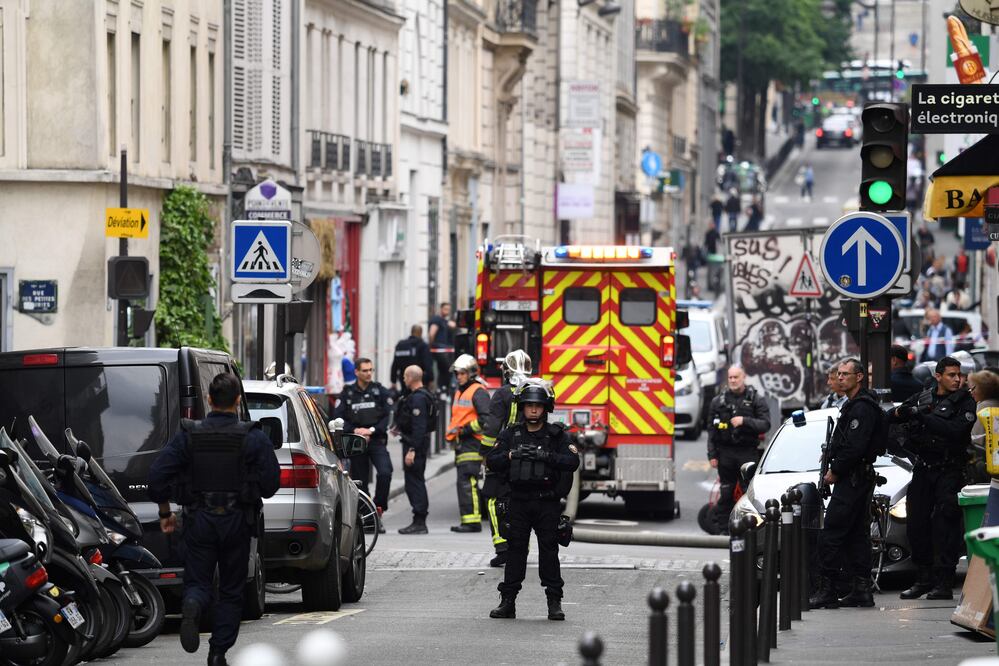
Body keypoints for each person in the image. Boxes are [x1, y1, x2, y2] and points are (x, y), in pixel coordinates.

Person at [147, 373, 280, 666]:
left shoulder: (188, 435)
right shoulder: (253, 437)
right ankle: (218, 652)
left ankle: (193, 604)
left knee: (198, 581)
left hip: (199, 519)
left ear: (208, 400)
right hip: (237, 520)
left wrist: (165, 512)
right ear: (237, 402)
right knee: (232, 590)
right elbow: (271, 485)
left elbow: (156, 476)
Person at [486, 380, 580, 621]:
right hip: (518, 501)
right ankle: (508, 602)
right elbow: (491, 461)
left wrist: (546, 456)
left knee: (549, 551)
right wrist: (510, 455)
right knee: (515, 551)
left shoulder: (556, 435)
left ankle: (554, 602)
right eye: (529, 405)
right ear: (522, 408)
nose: (534, 410)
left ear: (546, 408)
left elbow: (572, 462)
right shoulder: (511, 434)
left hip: (546, 502)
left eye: (538, 405)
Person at [890, 356, 976, 600]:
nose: (957, 379)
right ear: (938, 376)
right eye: (951, 375)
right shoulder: (923, 397)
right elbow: (893, 417)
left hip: (949, 470)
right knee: (917, 524)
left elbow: (956, 431)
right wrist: (901, 413)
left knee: (945, 526)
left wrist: (922, 416)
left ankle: (943, 581)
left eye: (958, 375)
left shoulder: (965, 402)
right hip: (923, 468)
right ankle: (923, 579)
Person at [808, 359, 884, 609]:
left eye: (845, 374)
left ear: (859, 377)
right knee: (855, 536)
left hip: (852, 479)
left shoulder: (862, 407)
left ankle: (827, 590)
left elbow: (855, 447)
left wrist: (835, 471)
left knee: (831, 533)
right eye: (838, 374)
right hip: (856, 478)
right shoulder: (853, 404)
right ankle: (861, 589)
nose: (840, 378)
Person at [481, 350, 533, 567]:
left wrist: (485, 454)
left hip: (505, 454)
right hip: (531, 454)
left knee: (493, 500)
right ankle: (523, 547)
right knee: (524, 501)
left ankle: (502, 547)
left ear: (506, 371)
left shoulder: (502, 394)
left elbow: (492, 427)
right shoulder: (536, 392)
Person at [707, 365, 771, 532]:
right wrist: (712, 455)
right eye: (730, 378)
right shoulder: (718, 401)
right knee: (726, 493)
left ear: (743, 377)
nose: (733, 381)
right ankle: (723, 530)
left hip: (747, 452)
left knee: (748, 493)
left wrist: (745, 421)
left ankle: (750, 529)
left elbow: (765, 424)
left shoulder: (755, 398)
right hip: (725, 453)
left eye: (736, 377)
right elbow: (711, 431)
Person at [333, 357, 393, 529]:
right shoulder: (347, 393)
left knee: (385, 473)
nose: (368, 373)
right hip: (356, 442)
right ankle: (367, 517)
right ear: (357, 372)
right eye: (365, 370)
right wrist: (355, 431)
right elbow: (338, 417)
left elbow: (388, 416)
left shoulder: (379, 391)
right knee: (360, 481)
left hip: (376, 440)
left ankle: (378, 508)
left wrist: (371, 431)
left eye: (370, 370)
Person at [446, 353, 491, 532]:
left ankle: (472, 522)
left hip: (472, 442)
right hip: (462, 442)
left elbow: (485, 420)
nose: (459, 376)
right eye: (457, 373)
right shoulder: (460, 391)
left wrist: (465, 430)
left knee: (467, 480)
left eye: (462, 373)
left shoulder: (478, 391)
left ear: (471, 373)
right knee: (464, 481)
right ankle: (469, 520)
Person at [394, 365, 436, 535]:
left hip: (415, 444)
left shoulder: (418, 399)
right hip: (415, 442)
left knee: (415, 482)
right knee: (414, 481)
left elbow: (419, 427)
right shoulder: (421, 395)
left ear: (411, 378)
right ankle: (418, 520)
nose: (404, 379)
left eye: (405, 376)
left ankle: (419, 521)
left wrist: (412, 450)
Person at [968, 369, 999, 488]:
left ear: (982, 389)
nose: (971, 391)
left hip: (985, 468)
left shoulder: (980, 410)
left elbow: (975, 442)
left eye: (973, 388)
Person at [391, 325, 434, 390]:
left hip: (404, 380)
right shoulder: (423, 345)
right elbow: (428, 364)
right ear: (420, 333)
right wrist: (431, 379)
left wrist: (393, 381)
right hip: (419, 382)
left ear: (411, 332)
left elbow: (395, 365)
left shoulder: (400, 345)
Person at [429, 303, 457, 390]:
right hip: (440, 350)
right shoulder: (437, 319)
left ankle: (443, 390)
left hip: (445, 350)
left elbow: (453, 325)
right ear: (441, 309)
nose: (447, 311)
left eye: (448, 309)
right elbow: (431, 333)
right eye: (445, 309)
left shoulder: (444, 321)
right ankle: (443, 389)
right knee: (448, 370)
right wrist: (431, 346)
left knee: (444, 372)